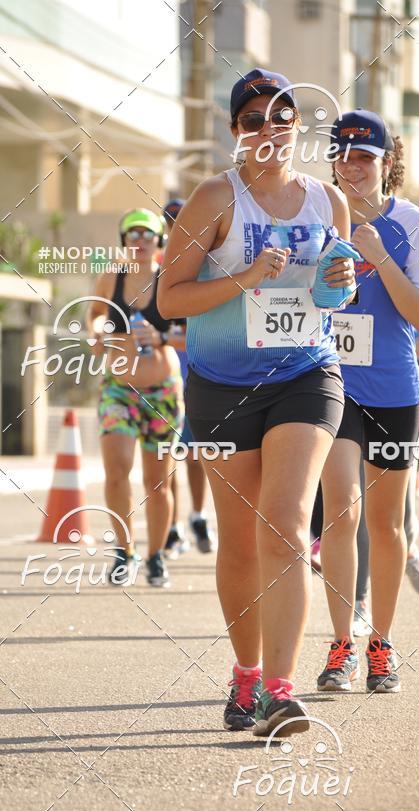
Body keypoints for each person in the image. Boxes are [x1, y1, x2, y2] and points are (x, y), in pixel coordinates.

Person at [157, 69, 357, 736]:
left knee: (285, 522)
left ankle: (278, 688)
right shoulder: (216, 198)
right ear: (235, 133)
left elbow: (334, 297)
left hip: (305, 371)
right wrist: (243, 278)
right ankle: (244, 674)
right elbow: (169, 299)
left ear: (298, 125)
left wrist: (341, 280)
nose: (268, 128)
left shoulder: (327, 201)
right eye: (252, 119)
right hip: (220, 384)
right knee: (240, 542)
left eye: (281, 115)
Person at [316, 109, 419, 694]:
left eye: (364, 157)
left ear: (387, 163)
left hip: (393, 389)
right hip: (330, 386)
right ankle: (340, 645)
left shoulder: (411, 222)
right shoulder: (315, 213)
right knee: (342, 512)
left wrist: (378, 254)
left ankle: (381, 645)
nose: (352, 167)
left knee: (387, 527)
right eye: (342, 155)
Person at [87, 208, 183, 587]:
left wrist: (161, 337)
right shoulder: (112, 276)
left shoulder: (170, 281)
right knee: (116, 471)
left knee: (158, 482)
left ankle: (156, 556)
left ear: (159, 241)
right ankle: (123, 553)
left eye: (147, 234)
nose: (139, 241)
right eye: (132, 234)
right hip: (118, 389)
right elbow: (95, 313)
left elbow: (192, 334)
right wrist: (96, 332)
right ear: (123, 241)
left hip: (161, 392)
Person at [161, 198, 214, 558]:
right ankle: (172, 527)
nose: (176, 226)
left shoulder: (206, 261)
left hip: (197, 375)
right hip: (165, 380)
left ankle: (198, 517)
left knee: (195, 457)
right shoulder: (158, 267)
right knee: (167, 458)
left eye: (181, 220)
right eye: (172, 221)